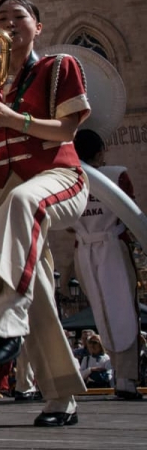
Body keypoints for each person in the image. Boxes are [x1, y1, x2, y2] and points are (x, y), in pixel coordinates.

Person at [0, 0, 89, 427]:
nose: (9, 23)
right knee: (39, 289)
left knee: (25, 201)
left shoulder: (58, 67)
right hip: (6, 195)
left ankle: (8, 312)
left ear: (37, 27)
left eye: (19, 16)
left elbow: (67, 129)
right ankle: (60, 397)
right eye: (1, 18)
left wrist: (14, 120)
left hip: (58, 179)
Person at [72, 129, 142, 400]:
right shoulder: (117, 175)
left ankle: (120, 374)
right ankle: (126, 379)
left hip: (84, 251)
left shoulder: (68, 178)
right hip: (114, 246)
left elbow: (66, 224)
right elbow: (129, 212)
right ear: (100, 152)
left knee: (103, 313)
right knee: (125, 310)